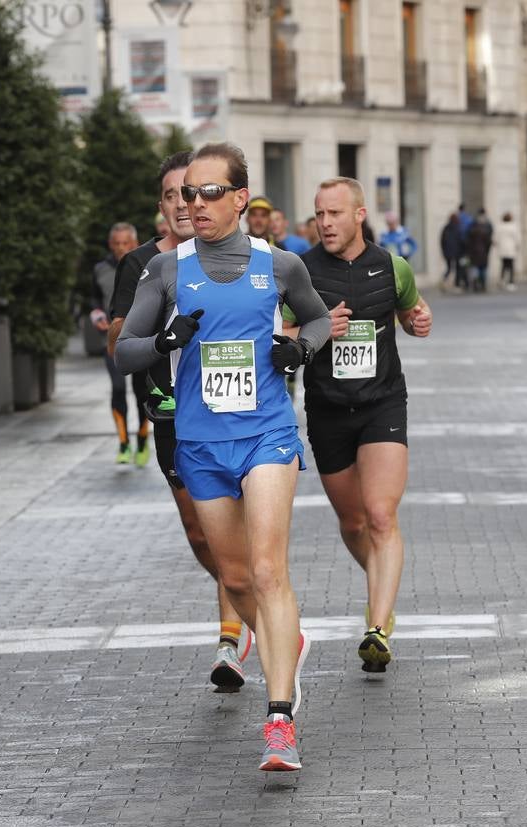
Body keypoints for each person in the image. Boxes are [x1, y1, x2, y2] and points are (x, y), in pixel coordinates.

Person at [116, 142, 332, 772]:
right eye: (189, 194)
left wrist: (300, 351)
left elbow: (317, 322)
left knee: (267, 571)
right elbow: (125, 350)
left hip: (267, 434)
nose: (197, 203)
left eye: (211, 192)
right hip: (201, 443)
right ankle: (286, 643)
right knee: (233, 577)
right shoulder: (167, 272)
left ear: (241, 198)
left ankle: (280, 721)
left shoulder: (281, 264)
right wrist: (163, 339)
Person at [107, 151, 253, 692]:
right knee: (202, 534)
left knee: (230, 528)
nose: (186, 204)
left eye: (195, 192)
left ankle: (230, 639)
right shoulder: (145, 266)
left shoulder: (236, 257)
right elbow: (119, 343)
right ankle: (243, 595)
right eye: (173, 195)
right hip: (169, 414)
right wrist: (155, 334)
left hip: (231, 412)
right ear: (161, 207)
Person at [284, 177, 432, 674]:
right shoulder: (299, 271)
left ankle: (378, 624)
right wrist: (318, 328)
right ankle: (382, 589)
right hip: (327, 409)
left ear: (359, 215)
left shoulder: (393, 266)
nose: (324, 222)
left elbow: (410, 313)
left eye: (334, 214)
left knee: (381, 515)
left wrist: (419, 320)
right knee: (352, 523)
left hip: (382, 404)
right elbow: (278, 334)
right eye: (319, 214)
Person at [93, 223, 149, 465]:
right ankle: (124, 442)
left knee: (141, 391)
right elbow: (94, 298)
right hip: (112, 339)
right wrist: (96, 314)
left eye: (125, 243)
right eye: (116, 243)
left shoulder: (147, 266)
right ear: (110, 244)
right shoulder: (100, 269)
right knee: (117, 388)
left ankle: (143, 440)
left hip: (138, 338)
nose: (121, 248)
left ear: (135, 243)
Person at [467, 208, 493, 292]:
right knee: (483, 269)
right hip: (483, 252)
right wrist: (487, 250)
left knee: (475, 268)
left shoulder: (472, 230)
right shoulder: (486, 229)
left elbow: (468, 242)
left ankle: (475, 283)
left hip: (474, 253)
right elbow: (488, 242)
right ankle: (483, 284)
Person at [494, 211, 519, 291]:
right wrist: (517, 246)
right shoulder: (513, 227)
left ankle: (502, 280)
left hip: (502, 249)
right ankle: (510, 282)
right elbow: (517, 238)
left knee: (503, 265)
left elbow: (496, 239)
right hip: (511, 248)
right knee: (511, 266)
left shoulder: (499, 227)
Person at [440, 213, 465, 292]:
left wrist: (443, 251)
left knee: (449, 268)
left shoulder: (446, 228)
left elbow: (442, 241)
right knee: (458, 268)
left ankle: (444, 280)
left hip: (448, 252)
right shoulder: (458, 228)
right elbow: (461, 241)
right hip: (457, 252)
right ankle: (456, 285)